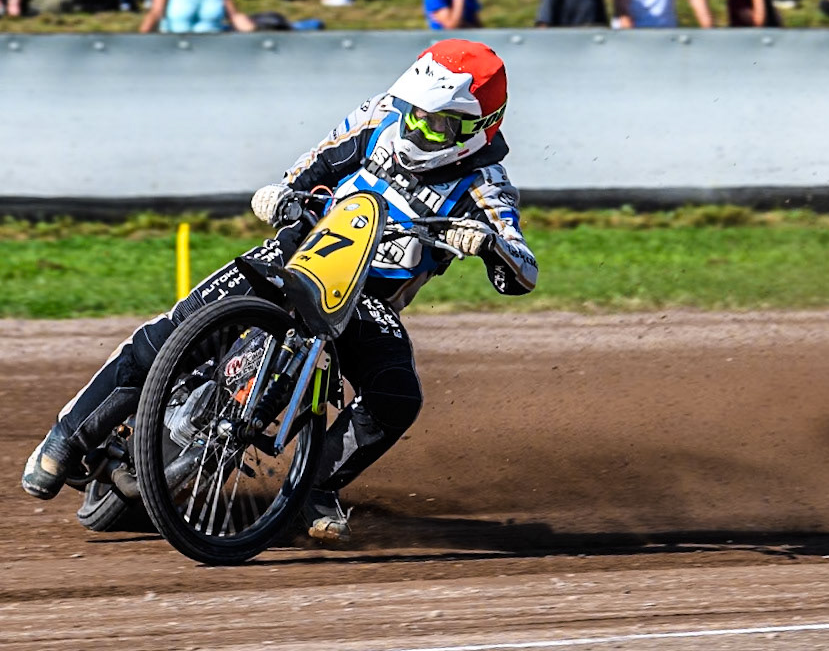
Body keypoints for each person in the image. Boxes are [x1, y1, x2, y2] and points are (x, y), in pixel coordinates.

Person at [22, 39, 538, 545]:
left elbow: (522, 271)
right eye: (413, 110)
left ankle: (316, 485)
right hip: (296, 253)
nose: (414, 125)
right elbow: (310, 164)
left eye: (435, 121)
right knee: (170, 333)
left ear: (477, 128)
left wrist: (489, 243)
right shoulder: (379, 116)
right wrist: (283, 194)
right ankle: (67, 438)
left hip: (365, 300)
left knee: (397, 396)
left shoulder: (485, 186)